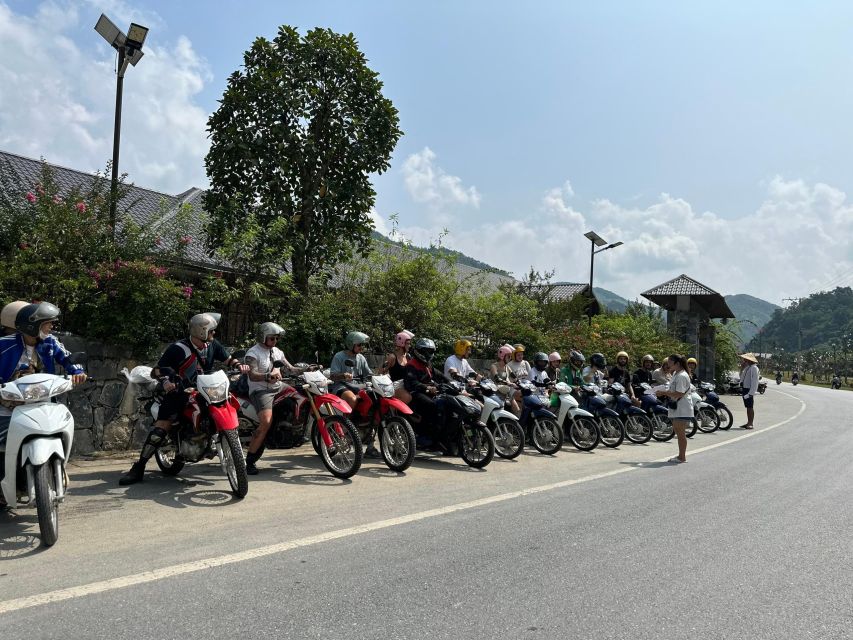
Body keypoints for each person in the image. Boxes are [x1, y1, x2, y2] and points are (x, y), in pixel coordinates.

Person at [119, 313, 247, 485]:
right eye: (211, 331)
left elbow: (228, 359)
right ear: (202, 331)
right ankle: (139, 467)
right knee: (162, 427)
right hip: (180, 391)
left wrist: (239, 366)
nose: (214, 334)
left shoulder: (211, 345)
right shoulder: (179, 348)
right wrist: (167, 380)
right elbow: (156, 370)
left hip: (206, 389)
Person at [0, 302, 87, 502]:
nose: (52, 328)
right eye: (48, 324)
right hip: (8, 403)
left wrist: (78, 372)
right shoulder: (4, 344)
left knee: (60, 427)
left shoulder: (51, 342)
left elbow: (67, 359)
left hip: (43, 401)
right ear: (33, 325)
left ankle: (57, 465)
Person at [243, 322, 303, 475]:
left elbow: (290, 368)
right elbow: (253, 375)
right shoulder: (252, 353)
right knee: (265, 422)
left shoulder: (277, 351)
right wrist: (267, 376)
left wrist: (307, 369)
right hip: (261, 391)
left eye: (276, 339)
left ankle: (295, 433)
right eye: (271, 339)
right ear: (263, 337)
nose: (274, 342)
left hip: (279, 386)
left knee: (302, 398)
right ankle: (249, 461)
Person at [329, 331, 378, 457]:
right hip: (341, 386)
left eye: (362, 345)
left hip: (358, 386)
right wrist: (343, 375)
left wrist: (379, 375)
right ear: (351, 344)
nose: (361, 347)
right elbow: (333, 375)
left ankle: (370, 443)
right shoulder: (339, 356)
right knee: (352, 399)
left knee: (375, 401)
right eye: (359, 345)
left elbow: (368, 373)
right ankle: (347, 426)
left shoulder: (361, 358)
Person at [403, 338, 450, 448]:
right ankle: (424, 435)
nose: (429, 354)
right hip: (416, 393)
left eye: (431, 351)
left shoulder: (428, 365)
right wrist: (426, 387)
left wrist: (452, 383)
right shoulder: (411, 365)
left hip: (430, 391)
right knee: (431, 405)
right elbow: (412, 383)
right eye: (426, 351)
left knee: (447, 403)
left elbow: (440, 376)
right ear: (419, 351)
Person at [656, 354, 693, 463]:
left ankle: (682, 457)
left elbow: (679, 393)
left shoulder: (681, 375)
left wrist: (663, 392)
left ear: (677, 363)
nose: (668, 365)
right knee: (678, 432)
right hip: (678, 407)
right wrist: (663, 391)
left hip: (682, 407)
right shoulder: (677, 374)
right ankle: (681, 456)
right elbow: (673, 390)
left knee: (680, 433)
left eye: (670, 363)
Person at [382, 330, 414, 403]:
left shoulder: (408, 357)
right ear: (402, 344)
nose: (409, 346)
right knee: (407, 397)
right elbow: (381, 372)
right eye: (408, 344)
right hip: (396, 386)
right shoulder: (392, 357)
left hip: (406, 384)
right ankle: (392, 411)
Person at [490, 343, 519, 415]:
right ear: (502, 356)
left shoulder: (507, 367)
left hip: (505, 392)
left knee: (516, 407)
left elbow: (514, 377)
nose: (510, 359)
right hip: (495, 392)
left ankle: (519, 422)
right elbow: (497, 379)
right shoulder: (494, 366)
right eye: (508, 356)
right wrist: (509, 383)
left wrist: (520, 383)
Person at [738, 352, 760, 429]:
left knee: (750, 406)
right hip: (745, 389)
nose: (744, 360)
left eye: (745, 359)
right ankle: (748, 422)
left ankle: (750, 423)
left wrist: (751, 393)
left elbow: (755, 381)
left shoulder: (754, 368)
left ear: (749, 360)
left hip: (749, 390)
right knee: (747, 406)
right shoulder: (748, 367)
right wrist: (742, 368)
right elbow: (741, 377)